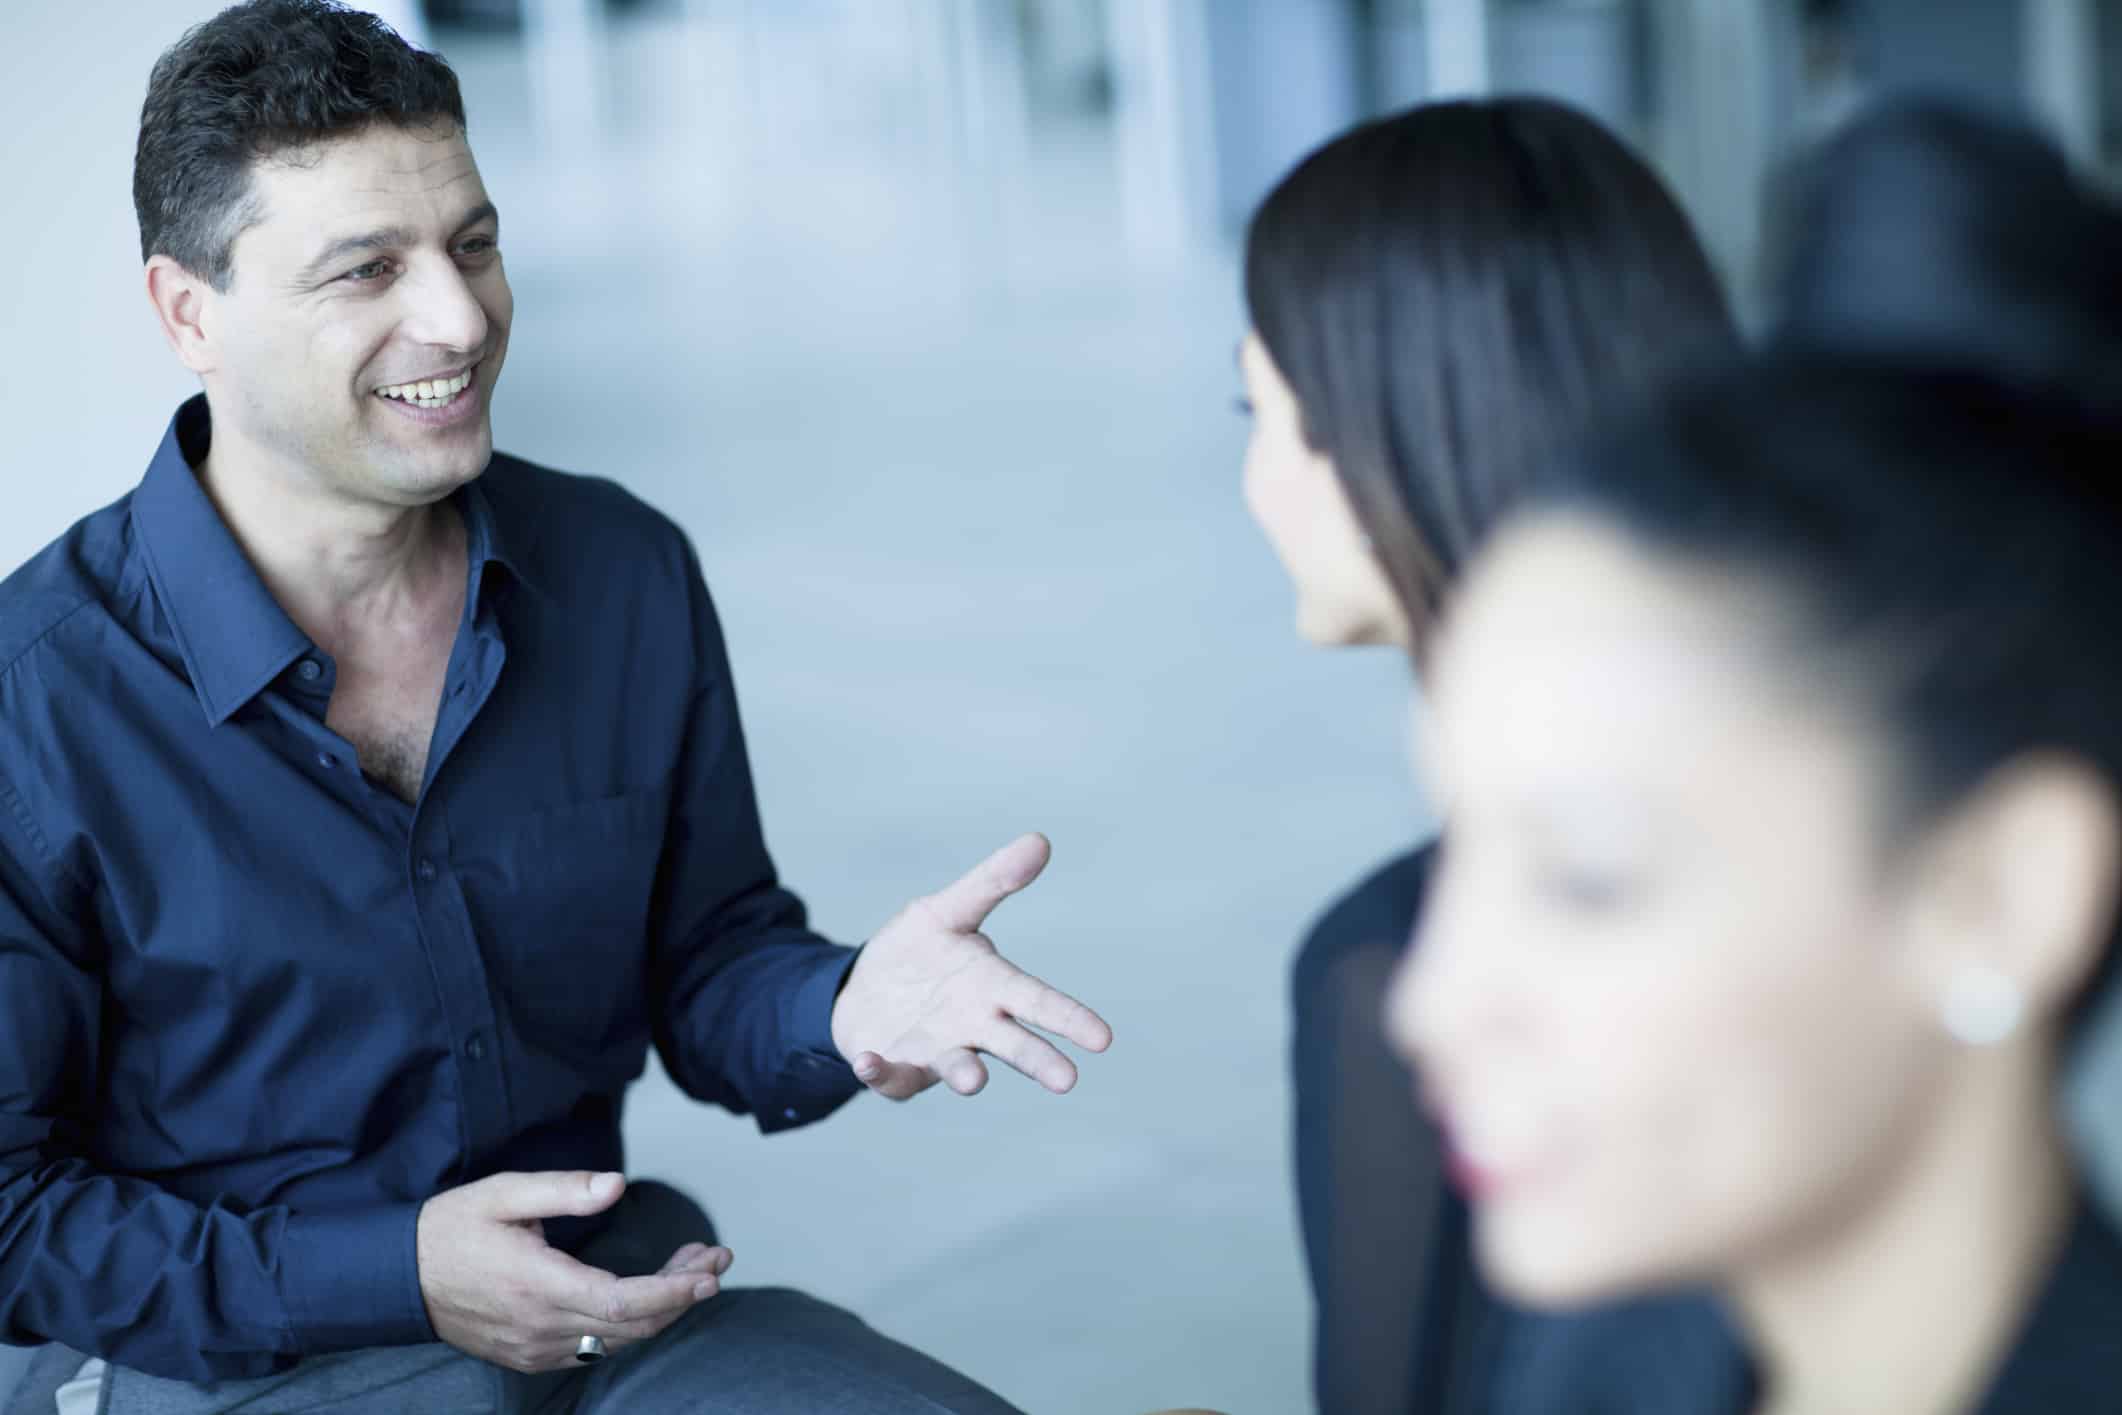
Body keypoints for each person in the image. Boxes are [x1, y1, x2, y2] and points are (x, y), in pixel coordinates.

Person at [0, 4, 1110, 1412]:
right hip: (220, 1363)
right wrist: (398, 1270)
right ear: (188, 312)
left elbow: (706, 964)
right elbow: (9, 1217)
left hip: (606, 1317)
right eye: (368, 269)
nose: (460, 318)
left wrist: (844, 1007)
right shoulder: (33, 703)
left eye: (473, 241)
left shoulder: (622, 570)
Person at [1385, 349, 2122, 1413]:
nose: (1428, 1004)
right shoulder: (1614, 1333)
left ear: (1996, 898)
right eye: (1456, 848)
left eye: (1585, 879)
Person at [1234, 96, 1735, 1412]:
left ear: (1369, 430)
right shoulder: (1816, 826)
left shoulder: (1395, 961)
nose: (1254, 476)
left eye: (1258, 410)